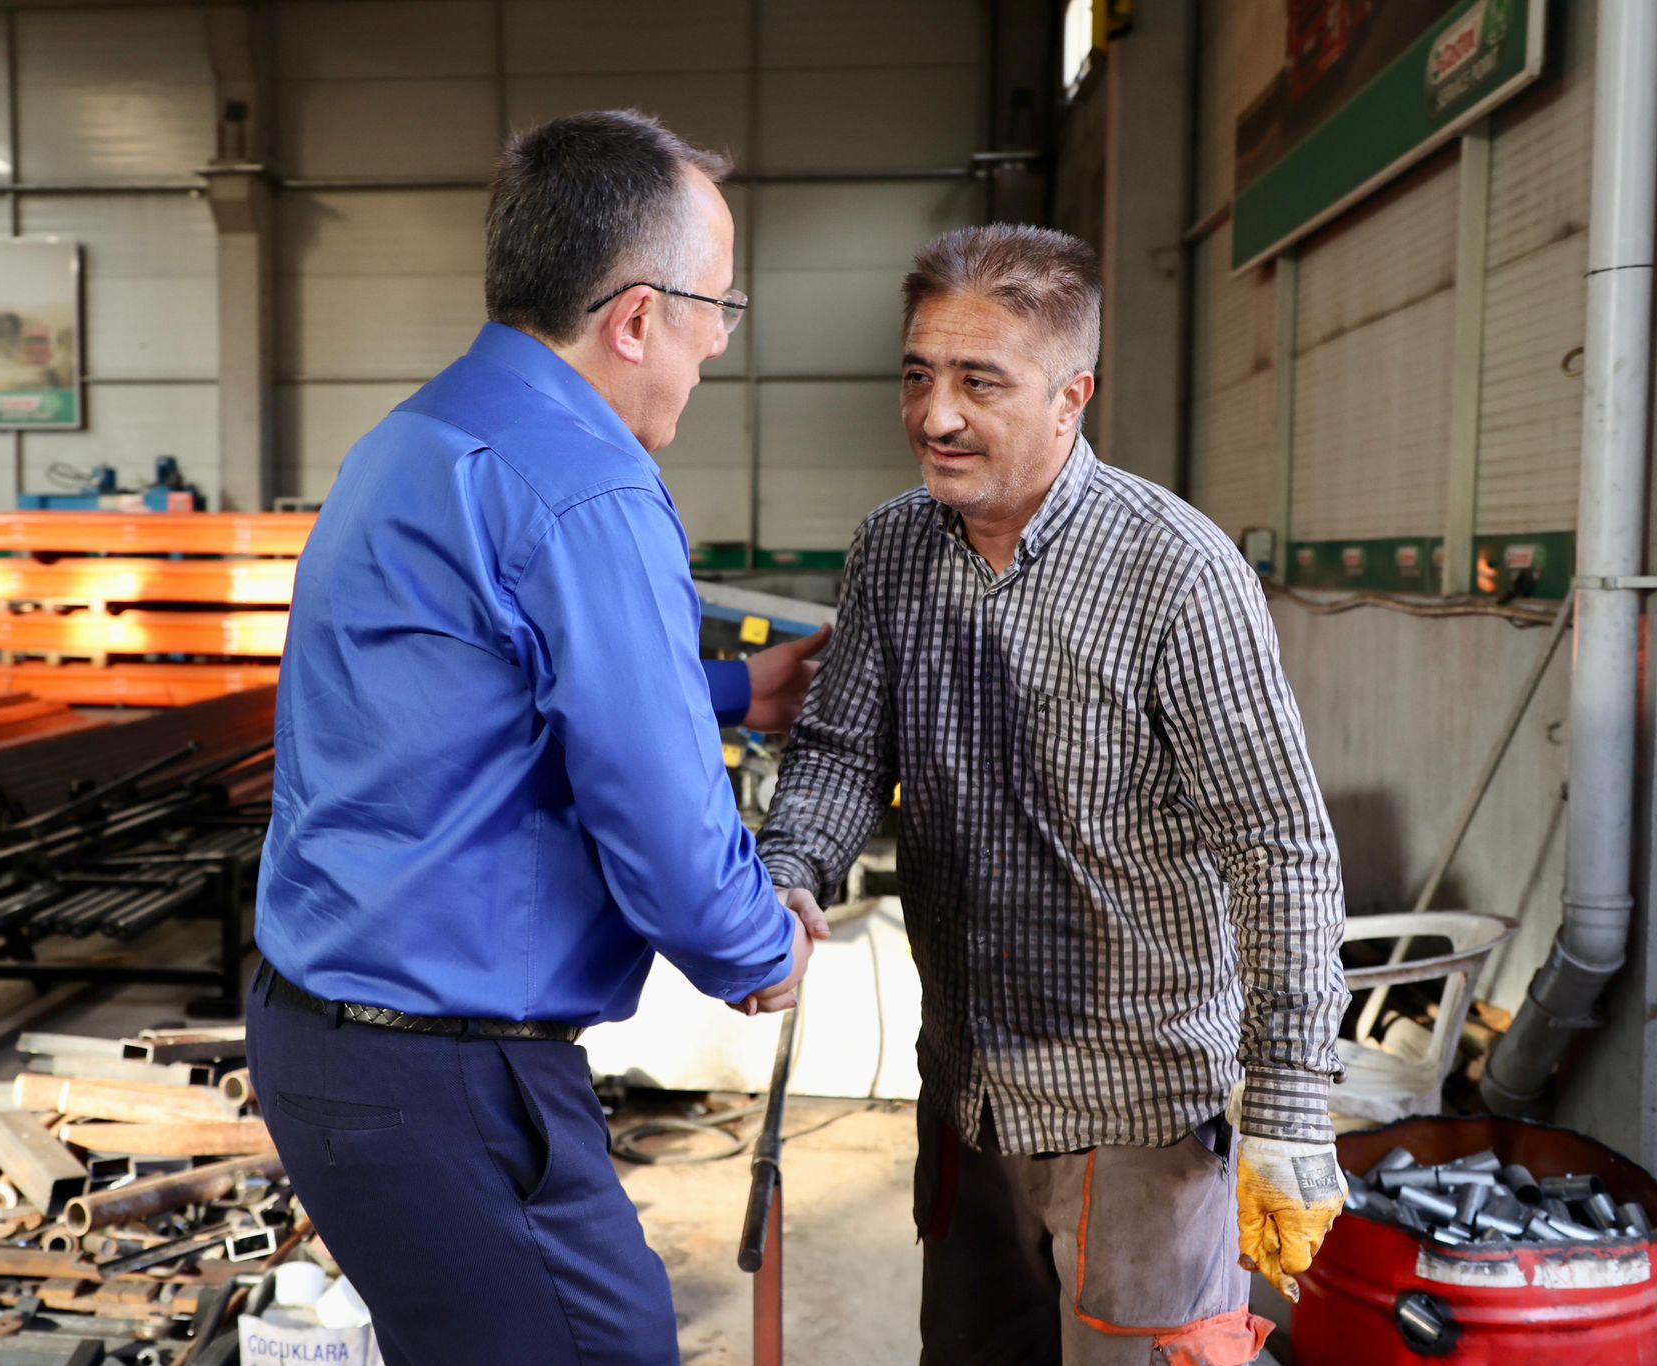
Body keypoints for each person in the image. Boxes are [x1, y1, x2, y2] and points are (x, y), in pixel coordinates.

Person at [246, 109, 829, 1366]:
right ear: (636, 318)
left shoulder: (421, 438)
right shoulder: (587, 482)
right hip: (447, 1077)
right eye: (717, 308)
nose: (717, 343)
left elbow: (476, 687)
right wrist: (756, 944)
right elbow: (655, 809)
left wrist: (735, 691)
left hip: (324, 1041)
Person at [756, 224, 1349, 1365]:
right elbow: (838, 747)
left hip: (1133, 1119)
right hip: (965, 1095)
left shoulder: (1174, 571)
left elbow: (1277, 845)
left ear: (1072, 394)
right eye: (917, 375)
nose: (933, 415)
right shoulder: (891, 550)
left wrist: (1287, 1099)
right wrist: (790, 871)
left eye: (978, 382)